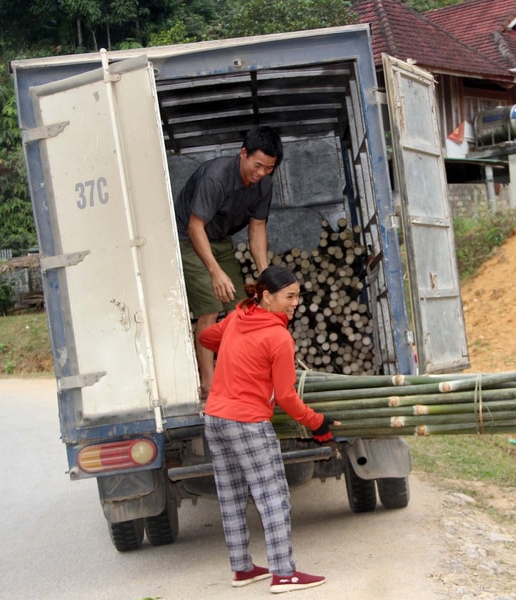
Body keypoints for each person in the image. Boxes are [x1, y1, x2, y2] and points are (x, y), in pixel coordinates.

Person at [200, 265, 338, 593]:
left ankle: (243, 569)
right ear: (266, 296)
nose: (295, 303)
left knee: (231, 495)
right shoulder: (278, 337)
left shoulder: (237, 319)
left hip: (215, 419)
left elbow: (206, 337)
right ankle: (283, 573)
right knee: (273, 496)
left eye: (298, 296)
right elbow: (287, 398)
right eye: (289, 296)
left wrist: (234, 342)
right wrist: (317, 423)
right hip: (247, 423)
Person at [175, 125, 284, 398]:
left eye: (268, 168)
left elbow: (257, 226)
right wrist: (215, 271)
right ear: (243, 153)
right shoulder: (217, 178)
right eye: (257, 165)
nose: (261, 174)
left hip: (220, 239)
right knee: (211, 305)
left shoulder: (264, 183)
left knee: (239, 306)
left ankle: (238, 373)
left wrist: (264, 274)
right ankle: (208, 383)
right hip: (189, 239)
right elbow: (195, 227)